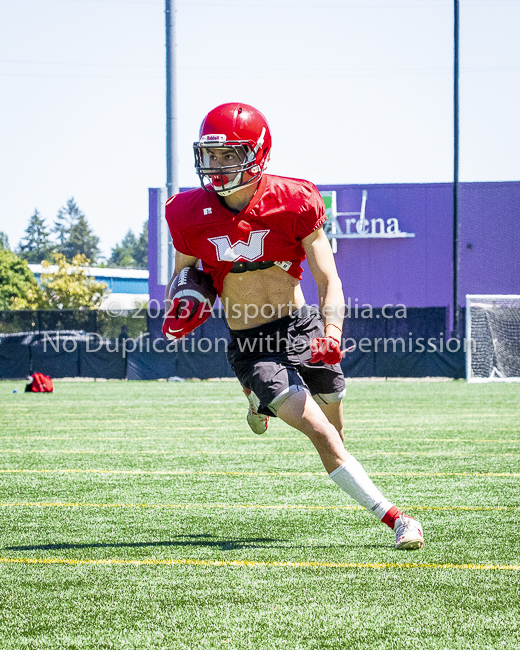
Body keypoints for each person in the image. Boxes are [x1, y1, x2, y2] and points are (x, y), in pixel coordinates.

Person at [163, 102, 424, 550]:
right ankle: (398, 519)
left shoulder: (295, 199)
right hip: (250, 342)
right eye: (211, 155)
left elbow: (328, 278)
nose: (217, 166)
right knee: (321, 434)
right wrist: (184, 299)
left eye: (230, 155)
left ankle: (257, 402)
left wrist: (332, 335)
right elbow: (185, 274)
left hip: (300, 327)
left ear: (258, 152)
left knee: (336, 423)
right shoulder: (186, 212)